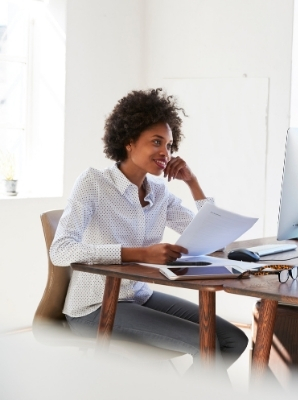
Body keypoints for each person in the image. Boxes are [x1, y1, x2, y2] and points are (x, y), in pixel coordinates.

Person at [50, 88, 248, 372]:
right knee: (206, 344)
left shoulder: (159, 192)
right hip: (93, 307)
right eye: (156, 142)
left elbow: (214, 240)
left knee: (233, 340)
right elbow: (61, 250)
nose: (165, 153)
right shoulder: (93, 183)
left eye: (169, 145)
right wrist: (142, 253)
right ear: (129, 142)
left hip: (139, 297)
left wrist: (193, 182)